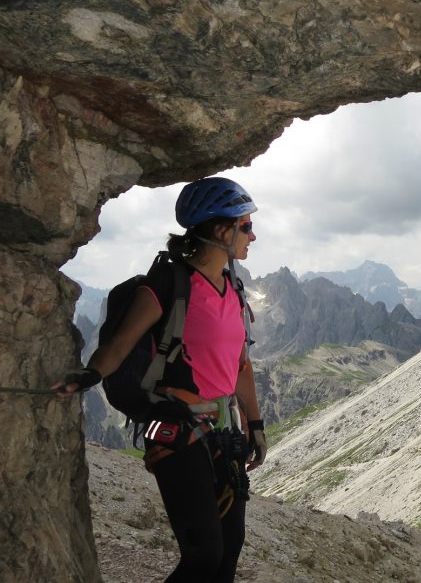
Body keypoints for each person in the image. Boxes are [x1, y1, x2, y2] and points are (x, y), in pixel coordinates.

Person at [55, 176, 267, 583]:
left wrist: (255, 426)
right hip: (178, 431)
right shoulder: (168, 286)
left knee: (228, 550)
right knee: (203, 556)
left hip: (226, 431)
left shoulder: (233, 289)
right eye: (245, 226)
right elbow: (118, 347)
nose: (252, 236)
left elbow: (240, 366)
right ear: (220, 230)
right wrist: (87, 376)